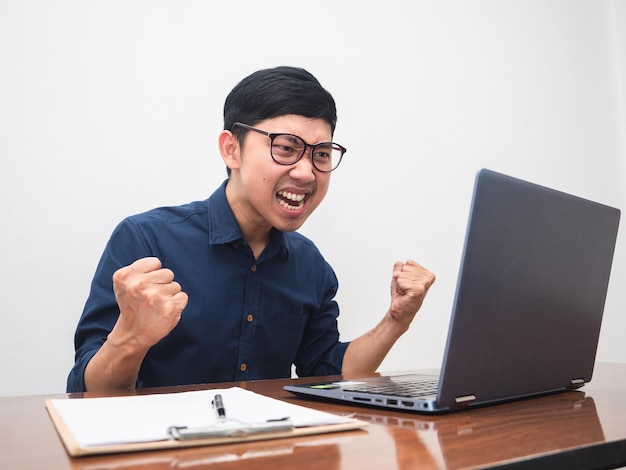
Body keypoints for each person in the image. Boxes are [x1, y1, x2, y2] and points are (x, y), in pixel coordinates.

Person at [67, 66, 435, 393]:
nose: (306, 172)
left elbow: (327, 374)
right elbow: (88, 390)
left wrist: (396, 320)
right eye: (286, 148)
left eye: (321, 154)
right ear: (232, 150)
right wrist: (131, 336)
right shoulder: (146, 240)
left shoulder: (311, 265)